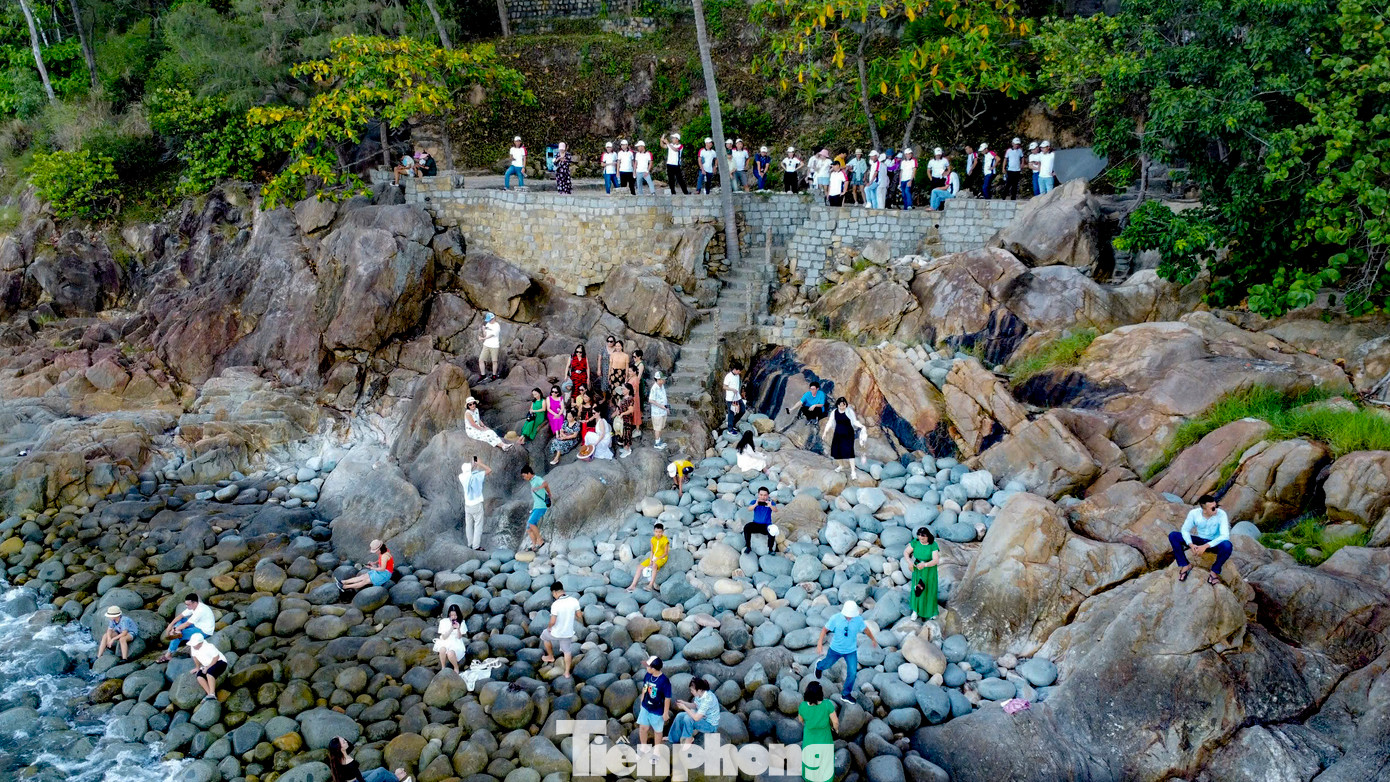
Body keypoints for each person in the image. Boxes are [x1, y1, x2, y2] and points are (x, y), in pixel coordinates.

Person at [815, 601, 878, 700]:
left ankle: (846, 694)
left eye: (851, 616)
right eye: (847, 616)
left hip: (850, 651)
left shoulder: (858, 619)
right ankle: (819, 666)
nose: (849, 618)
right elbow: (824, 630)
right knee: (827, 664)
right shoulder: (835, 618)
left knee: (852, 673)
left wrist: (873, 639)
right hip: (835, 649)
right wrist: (819, 644)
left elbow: (865, 629)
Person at [1170, 494, 1232, 585]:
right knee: (1173, 536)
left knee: (1227, 545)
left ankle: (1214, 571)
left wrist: (1205, 546)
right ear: (1204, 510)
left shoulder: (1221, 514)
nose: (1216, 509)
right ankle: (1185, 565)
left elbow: (1225, 535)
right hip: (1199, 540)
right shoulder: (1194, 513)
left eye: (1216, 506)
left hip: (1213, 544)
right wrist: (1191, 544)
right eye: (1213, 508)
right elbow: (1185, 530)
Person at [798, 680, 839, 782]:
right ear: (820, 693)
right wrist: (835, 729)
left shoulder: (803, 706)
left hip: (810, 737)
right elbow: (835, 722)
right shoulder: (827, 705)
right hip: (824, 736)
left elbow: (801, 720)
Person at [158, 593, 216, 663]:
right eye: (186, 604)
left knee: (177, 635)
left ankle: (168, 655)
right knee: (181, 620)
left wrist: (174, 630)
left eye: (188, 604)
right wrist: (170, 625)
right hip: (197, 624)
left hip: (204, 631)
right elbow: (181, 616)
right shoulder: (193, 606)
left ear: (194, 603)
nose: (186, 606)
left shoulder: (200, 610)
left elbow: (187, 624)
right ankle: (176, 633)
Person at [541, 583, 581, 678]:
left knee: (544, 636)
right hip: (567, 633)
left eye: (553, 594)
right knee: (567, 651)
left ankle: (550, 656)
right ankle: (567, 673)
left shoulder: (556, 604)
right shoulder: (574, 601)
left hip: (556, 633)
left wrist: (549, 627)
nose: (553, 596)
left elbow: (553, 621)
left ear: (554, 592)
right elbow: (579, 616)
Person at [822, 396, 867, 479]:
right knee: (836, 451)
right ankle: (841, 466)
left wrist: (861, 426)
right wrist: (825, 432)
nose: (842, 407)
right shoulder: (834, 412)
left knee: (849, 451)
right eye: (840, 405)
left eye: (843, 405)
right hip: (838, 433)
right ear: (837, 405)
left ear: (846, 405)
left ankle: (853, 471)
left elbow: (854, 421)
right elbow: (830, 422)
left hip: (848, 433)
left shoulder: (849, 411)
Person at [669, 676, 720, 745]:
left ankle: (688, 739)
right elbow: (695, 705)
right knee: (679, 716)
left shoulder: (708, 699)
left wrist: (684, 707)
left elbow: (696, 718)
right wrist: (684, 703)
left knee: (688, 718)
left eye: (692, 690)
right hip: (702, 718)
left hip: (710, 725)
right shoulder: (699, 695)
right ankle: (673, 738)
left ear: (699, 690)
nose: (691, 692)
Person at [635, 656, 673, 746]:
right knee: (642, 728)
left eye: (648, 666)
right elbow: (645, 687)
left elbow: (668, 697)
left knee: (658, 731)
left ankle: (656, 751)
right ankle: (643, 747)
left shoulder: (664, 681)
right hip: (645, 707)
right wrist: (642, 700)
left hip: (657, 710)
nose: (646, 667)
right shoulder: (648, 675)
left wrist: (666, 712)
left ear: (653, 668)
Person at [328, 736, 400, 782]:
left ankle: (393, 776)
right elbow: (361, 780)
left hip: (352, 779)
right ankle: (397, 779)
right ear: (341, 748)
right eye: (344, 742)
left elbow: (351, 746)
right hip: (358, 780)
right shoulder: (349, 761)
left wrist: (339, 738)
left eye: (344, 740)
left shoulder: (338, 759)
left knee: (374, 771)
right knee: (381, 771)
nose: (346, 741)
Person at [906, 527, 941, 620]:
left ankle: (931, 611)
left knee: (929, 588)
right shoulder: (916, 542)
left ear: (928, 536)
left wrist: (925, 565)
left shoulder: (933, 545)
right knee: (917, 588)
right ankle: (915, 610)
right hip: (917, 568)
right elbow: (906, 552)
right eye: (920, 537)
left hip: (929, 569)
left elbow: (936, 560)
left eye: (923, 538)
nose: (921, 539)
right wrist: (910, 562)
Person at [627, 522, 669, 592]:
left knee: (654, 565)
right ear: (654, 531)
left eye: (660, 532)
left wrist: (656, 559)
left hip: (662, 558)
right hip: (654, 557)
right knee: (639, 567)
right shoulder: (652, 539)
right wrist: (651, 560)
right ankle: (633, 585)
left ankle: (650, 585)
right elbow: (652, 551)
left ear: (663, 532)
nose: (658, 533)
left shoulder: (665, 540)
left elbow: (665, 553)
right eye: (656, 532)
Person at [458, 458, 490, 551]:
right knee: (478, 525)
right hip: (476, 504)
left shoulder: (461, 477)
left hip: (467, 505)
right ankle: (476, 546)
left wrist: (473, 464)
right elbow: (489, 470)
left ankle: (470, 543)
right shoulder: (476, 476)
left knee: (469, 525)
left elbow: (468, 471)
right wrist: (480, 464)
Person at [187, 633, 227, 700]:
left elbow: (216, 657)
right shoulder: (193, 647)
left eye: (194, 645)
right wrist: (197, 668)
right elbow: (195, 657)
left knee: (209, 672)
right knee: (199, 676)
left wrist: (207, 667)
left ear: (200, 643)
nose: (193, 646)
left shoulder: (209, 646)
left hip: (220, 662)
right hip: (208, 664)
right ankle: (209, 694)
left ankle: (212, 693)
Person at [522, 465, 550, 552]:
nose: (524, 477)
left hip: (541, 506)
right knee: (528, 529)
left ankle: (540, 540)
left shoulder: (537, 479)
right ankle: (534, 545)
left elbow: (545, 483)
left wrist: (539, 487)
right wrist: (550, 494)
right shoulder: (532, 481)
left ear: (529, 473)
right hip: (536, 507)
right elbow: (547, 488)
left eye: (524, 475)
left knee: (531, 522)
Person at [434, 604, 467, 674]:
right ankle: (443, 667)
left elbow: (459, 637)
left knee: (450, 653)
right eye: (451, 615)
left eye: (455, 615)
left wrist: (458, 628)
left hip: (456, 642)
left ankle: (456, 667)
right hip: (445, 640)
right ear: (449, 614)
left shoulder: (462, 622)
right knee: (442, 649)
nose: (453, 617)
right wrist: (451, 628)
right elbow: (444, 637)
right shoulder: (443, 622)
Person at [744, 486, 778, 553]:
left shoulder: (770, 503)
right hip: (756, 524)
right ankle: (748, 547)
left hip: (766, 525)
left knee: (773, 530)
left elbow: (775, 510)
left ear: (768, 495)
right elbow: (749, 509)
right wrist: (756, 504)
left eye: (765, 495)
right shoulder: (754, 502)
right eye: (761, 495)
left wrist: (770, 505)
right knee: (746, 527)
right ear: (758, 495)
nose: (763, 497)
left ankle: (770, 549)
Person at [648, 371, 669, 450]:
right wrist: (661, 406)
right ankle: (657, 443)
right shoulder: (654, 388)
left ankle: (659, 440)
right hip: (657, 412)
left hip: (663, 411)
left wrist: (666, 408)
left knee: (660, 427)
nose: (664, 380)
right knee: (657, 427)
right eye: (662, 379)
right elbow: (651, 400)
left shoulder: (662, 386)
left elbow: (664, 398)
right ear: (658, 379)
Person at [479, 311, 501, 380]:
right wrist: (483, 330)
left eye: (490, 320)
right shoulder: (488, 324)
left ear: (493, 319)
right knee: (481, 360)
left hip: (494, 346)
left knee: (494, 361)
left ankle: (494, 375)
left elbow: (492, 335)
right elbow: (486, 334)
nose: (489, 321)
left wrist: (483, 338)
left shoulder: (497, 326)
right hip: (486, 345)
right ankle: (483, 375)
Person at [628, 348, 646, 435]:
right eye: (633, 356)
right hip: (633, 382)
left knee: (638, 403)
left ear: (639, 357)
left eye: (635, 356)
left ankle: (638, 424)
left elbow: (639, 376)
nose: (633, 358)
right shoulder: (635, 363)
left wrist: (635, 382)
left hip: (637, 383)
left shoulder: (641, 364)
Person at [722, 362, 743, 435]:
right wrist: (732, 389)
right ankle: (730, 430)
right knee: (731, 413)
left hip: (737, 397)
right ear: (736, 369)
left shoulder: (737, 376)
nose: (740, 372)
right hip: (730, 398)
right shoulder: (728, 376)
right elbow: (724, 386)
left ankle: (733, 423)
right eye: (739, 371)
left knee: (742, 410)